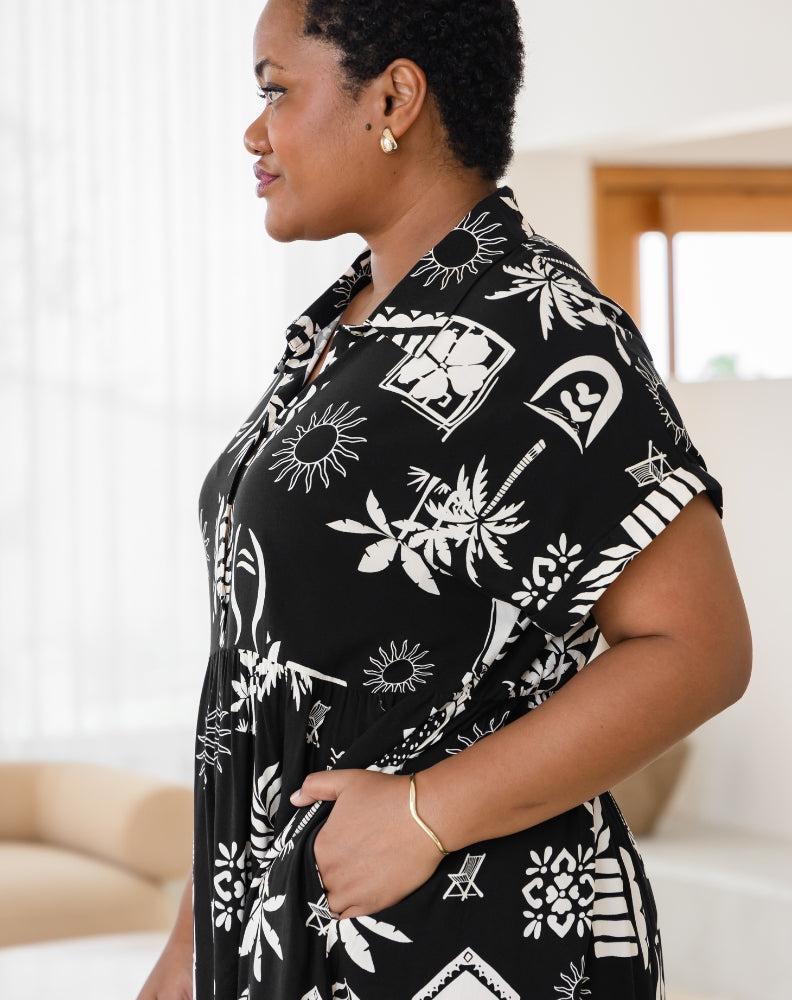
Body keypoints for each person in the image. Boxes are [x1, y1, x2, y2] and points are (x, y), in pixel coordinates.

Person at [137, 0, 751, 997]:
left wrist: (427, 809)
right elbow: (260, 682)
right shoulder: (335, 339)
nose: (254, 130)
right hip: (278, 939)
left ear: (394, 96)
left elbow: (703, 646)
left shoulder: (549, 331)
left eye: (275, 89)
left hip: (463, 939)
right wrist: (190, 951)